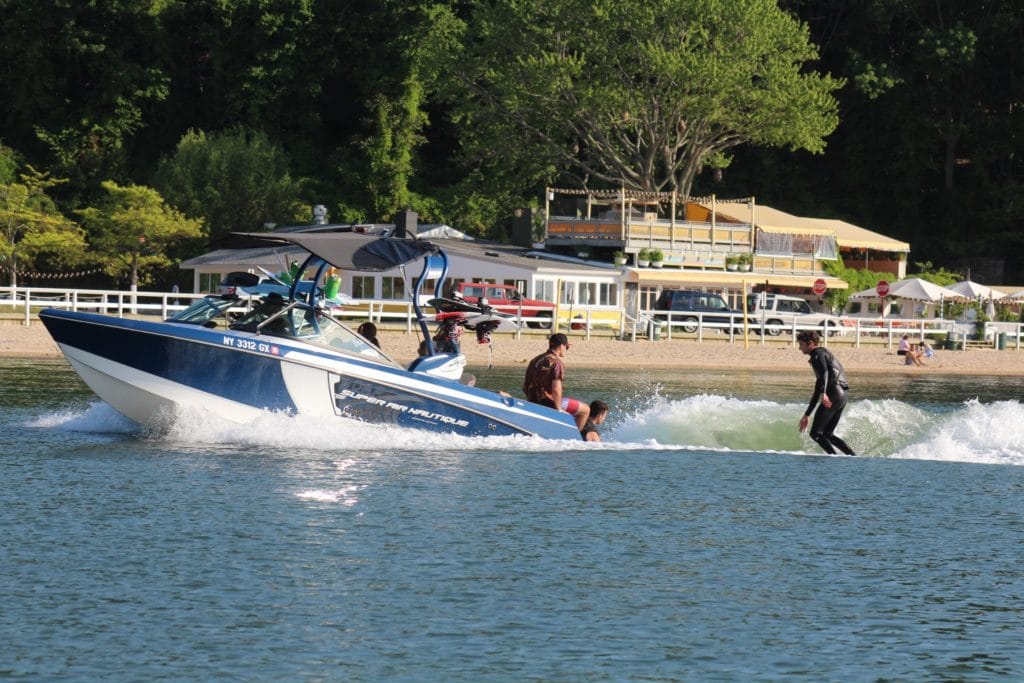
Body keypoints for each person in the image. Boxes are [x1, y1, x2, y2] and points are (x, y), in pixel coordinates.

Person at [797, 330, 856, 455]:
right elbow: (818, 387)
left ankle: (833, 458)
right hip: (842, 395)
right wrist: (807, 415)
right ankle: (853, 457)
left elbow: (825, 372)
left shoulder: (817, 353)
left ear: (810, 343)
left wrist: (824, 393)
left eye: (801, 344)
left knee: (815, 433)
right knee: (827, 434)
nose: (799, 348)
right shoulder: (820, 355)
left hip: (834, 392)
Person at [523, 333, 590, 431]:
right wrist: (558, 408)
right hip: (548, 403)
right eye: (567, 347)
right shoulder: (556, 363)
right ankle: (572, 436)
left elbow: (525, 387)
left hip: (532, 401)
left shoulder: (535, 360)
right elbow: (556, 389)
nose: (566, 350)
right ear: (561, 345)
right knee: (585, 410)